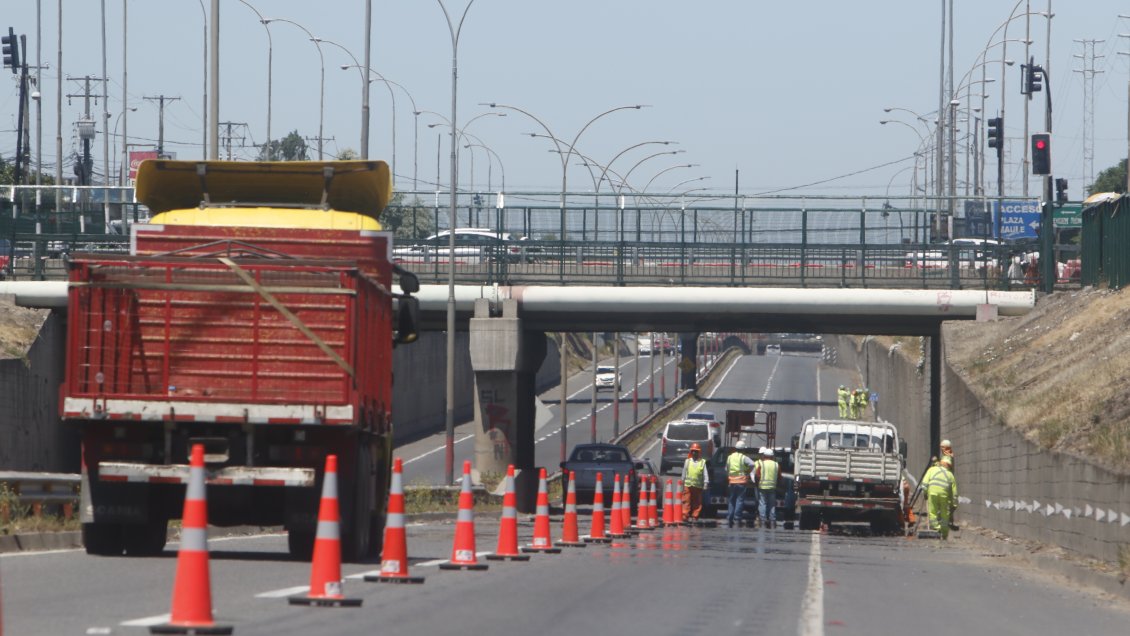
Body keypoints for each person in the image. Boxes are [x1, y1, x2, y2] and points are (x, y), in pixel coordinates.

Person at [923, 456, 957, 539]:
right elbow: (954, 493)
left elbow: (924, 483)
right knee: (944, 514)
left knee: (933, 511)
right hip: (944, 495)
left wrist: (925, 493)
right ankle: (944, 533)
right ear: (949, 466)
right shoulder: (950, 475)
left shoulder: (932, 469)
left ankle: (936, 528)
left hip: (932, 493)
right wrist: (954, 504)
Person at [725, 442, 756, 528]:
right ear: (743, 449)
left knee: (731, 500)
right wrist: (747, 471)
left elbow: (726, 468)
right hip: (741, 482)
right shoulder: (743, 457)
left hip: (731, 482)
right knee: (739, 500)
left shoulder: (730, 457)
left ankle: (730, 518)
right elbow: (753, 464)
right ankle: (737, 518)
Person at [681, 443, 709, 523]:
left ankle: (694, 516)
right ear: (691, 452)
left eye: (696, 451)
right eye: (693, 451)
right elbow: (684, 472)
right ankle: (685, 516)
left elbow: (705, 473)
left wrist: (706, 483)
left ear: (699, 452)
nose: (694, 453)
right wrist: (682, 481)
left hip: (698, 486)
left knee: (697, 502)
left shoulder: (702, 462)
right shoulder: (687, 461)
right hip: (688, 485)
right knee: (686, 501)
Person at [753, 447, 780, 529]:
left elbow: (757, 475)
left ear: (764, 456)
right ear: (772, 456)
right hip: (772, 487)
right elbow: (779, 476)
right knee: (772, 504)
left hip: (762, 486)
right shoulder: (776, 464)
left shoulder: (761, 464)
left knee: (762, 503)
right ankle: (772, 519)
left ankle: (763, 519)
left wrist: (757, 483)